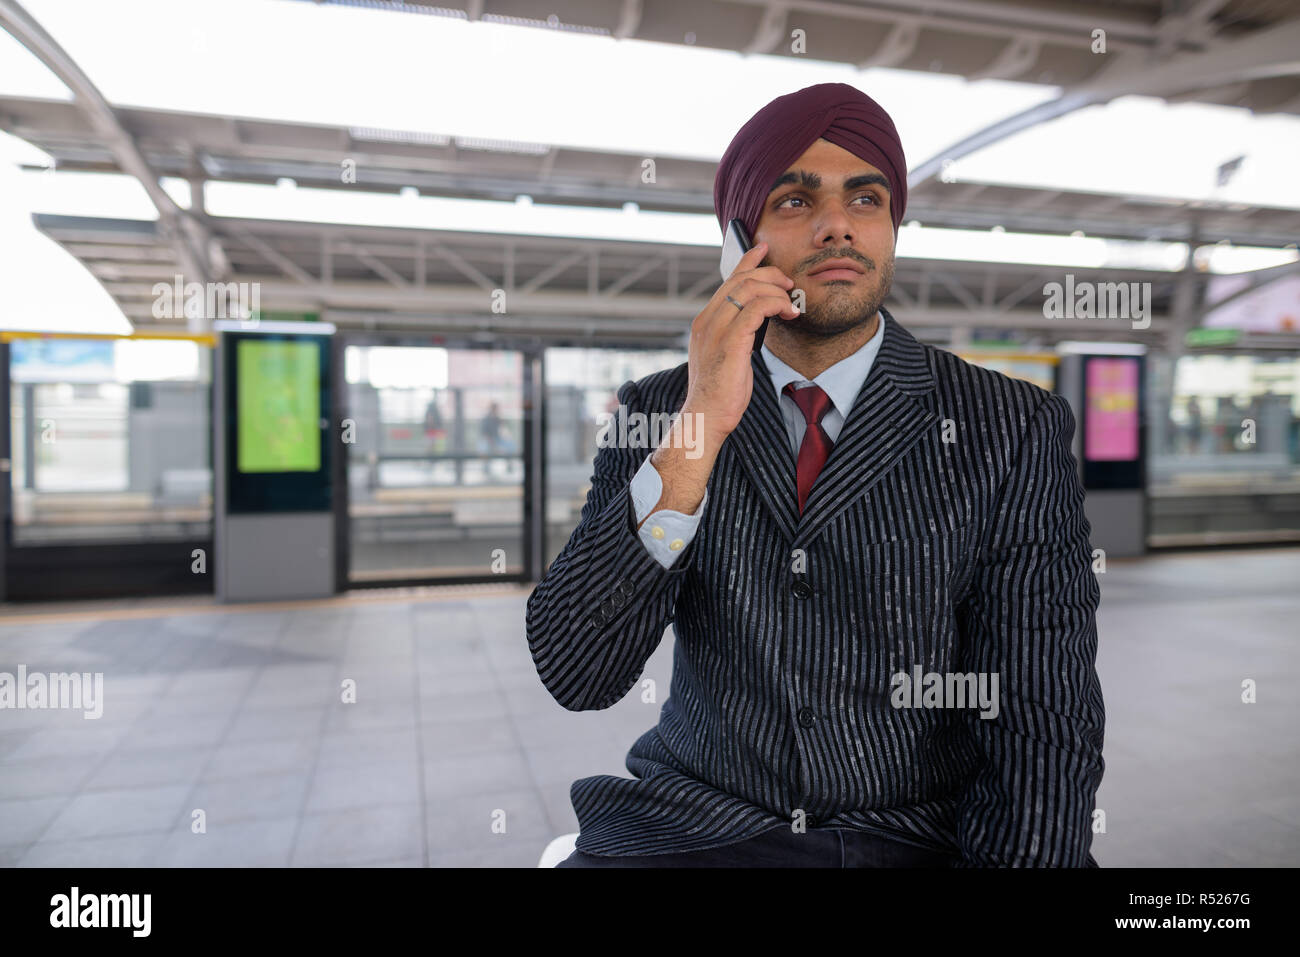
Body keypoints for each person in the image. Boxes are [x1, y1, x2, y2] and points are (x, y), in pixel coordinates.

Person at [526, 83, 1105, 867]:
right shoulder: (664, 410)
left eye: (866, 197)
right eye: (795, 200)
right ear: (741, 242)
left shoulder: (1009, 427)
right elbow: (576, 668)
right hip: (696, 821)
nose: (838, 222)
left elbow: (1042, 710)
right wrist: (700, 429)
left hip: (913, 833)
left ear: (892, 228)